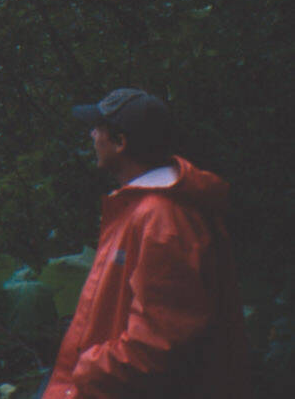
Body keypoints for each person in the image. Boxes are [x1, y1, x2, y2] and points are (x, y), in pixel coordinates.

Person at [42, 88, 250, 398]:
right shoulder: (140, 209)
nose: (92, 135)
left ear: (121, 143)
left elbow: (159, 342)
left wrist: (86, 372)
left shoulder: (162, 219)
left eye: (98, 128)